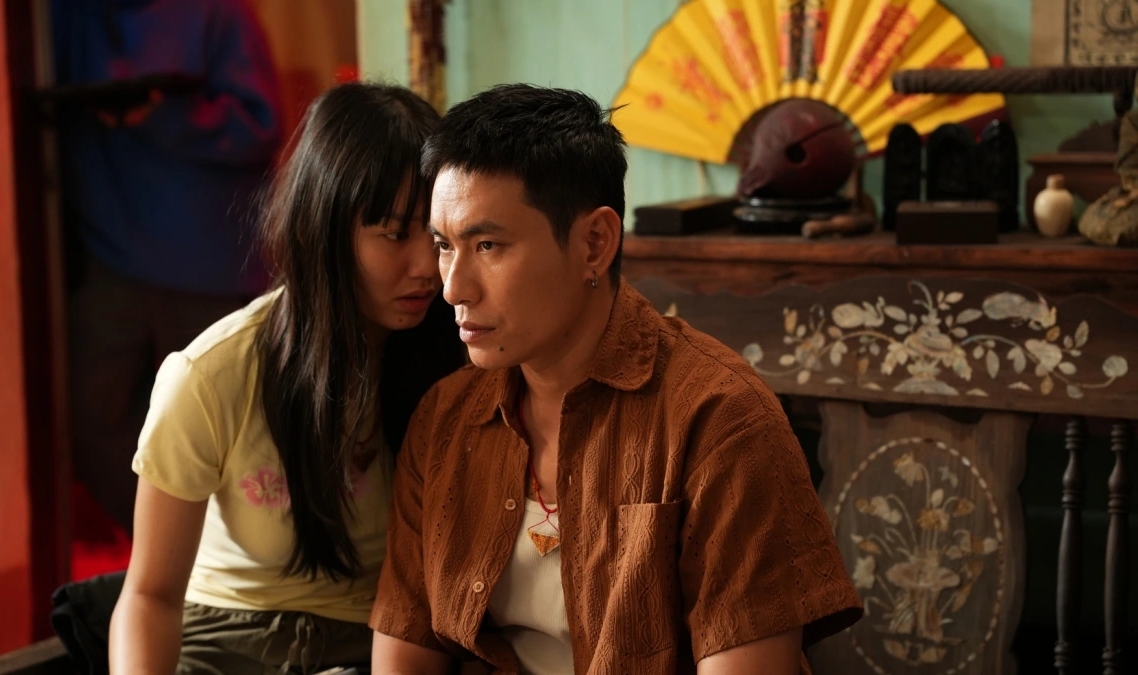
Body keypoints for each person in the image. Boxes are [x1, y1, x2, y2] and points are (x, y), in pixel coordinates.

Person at [369, 84, 863, 674]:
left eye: (488, 244)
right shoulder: (446, 417)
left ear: (594, 244)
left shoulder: (719, 419)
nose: (453, 288)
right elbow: (404, 655)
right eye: (445, 245)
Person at [109, 83, 466, 675]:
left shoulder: (463, 361)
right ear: (323, 228)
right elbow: (149, 596)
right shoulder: (212, 376)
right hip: (227, 640)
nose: (428, 268)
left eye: (436, 236)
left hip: (382, 643)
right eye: (394, 234)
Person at [51, 0, 284, 533]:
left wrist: (163, 114)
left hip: (214, 269)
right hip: (104, 258)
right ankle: (171, 550)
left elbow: (261, 124)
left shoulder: (218, 12)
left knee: (240, 433)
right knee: (89, 423)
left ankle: (218, 554)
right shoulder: (65, 15)